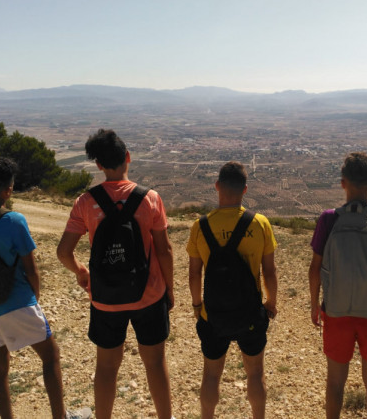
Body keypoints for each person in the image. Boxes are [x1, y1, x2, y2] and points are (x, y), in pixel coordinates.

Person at [57, 129, 174, 419]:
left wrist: (81, 272)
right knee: (155, 363)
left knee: (107, 367)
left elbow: (63, 252)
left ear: (98, 165)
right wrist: (169, 289)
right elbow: (165, 250)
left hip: (105, 298)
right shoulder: (151, 199)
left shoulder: (85, 202)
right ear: (128, 159)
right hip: (149, 295)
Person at [0, 157, 91, 419]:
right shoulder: (14, 221)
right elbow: (32, 269)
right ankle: (61, 417)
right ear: (8, 190)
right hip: (17, 301)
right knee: (51, 355)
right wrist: (34, 299)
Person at [308, 152, 367, 419]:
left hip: (336, 311)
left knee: (335, 381)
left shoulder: (328, 219)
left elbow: (315, 268)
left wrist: (315, 304)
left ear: (343, 183)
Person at [187, 161, 278, 419]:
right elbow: (269, 272)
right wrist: (271, 302)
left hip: (212, 315)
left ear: (217, 186)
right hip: (250, 315)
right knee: (256, 373)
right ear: (245, 190)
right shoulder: (260, 223)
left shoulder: (200, 227)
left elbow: (194, 274)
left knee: (211, 375)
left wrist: (197, 307)